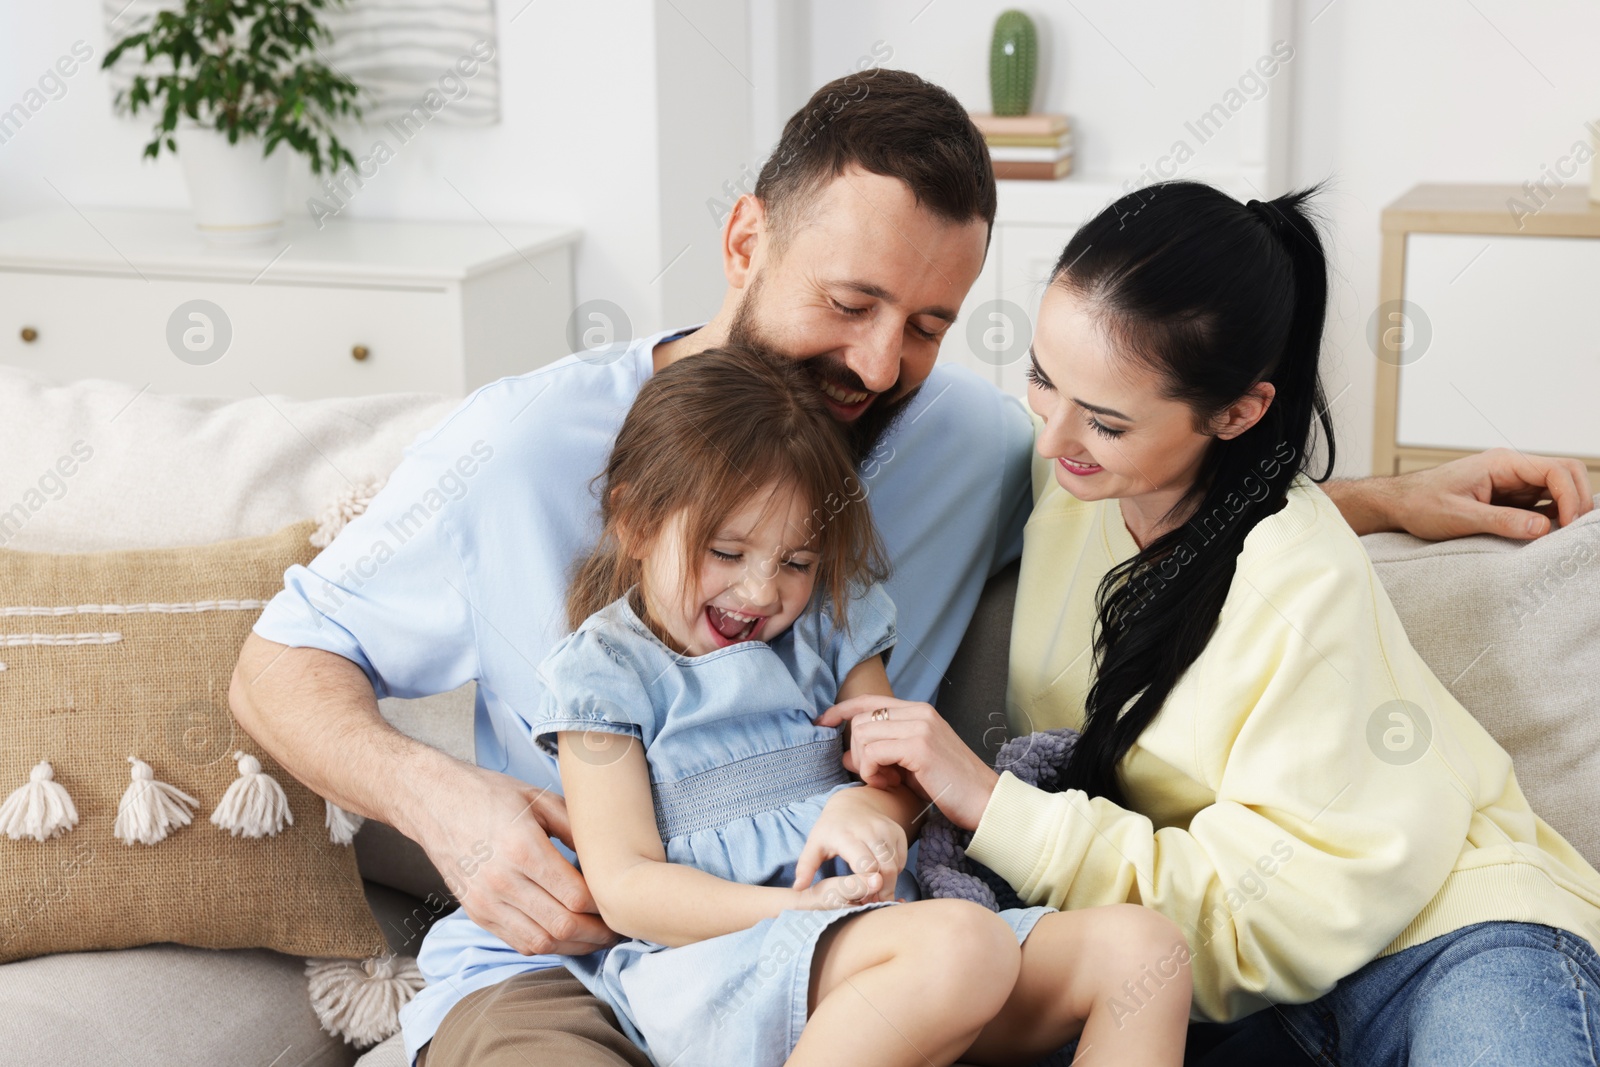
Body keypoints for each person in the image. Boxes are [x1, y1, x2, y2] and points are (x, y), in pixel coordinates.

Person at [228, 70, 1594, 1067]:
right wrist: (451, 809)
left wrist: (1382, 496)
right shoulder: (528, 443)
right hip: (571, 954)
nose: (882, 364)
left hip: (848, 946)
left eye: (931, 322)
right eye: (852, 302)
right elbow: (277, 663)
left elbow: (1147, 488)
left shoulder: (964, 442)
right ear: (745, 239)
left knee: (1128, 955)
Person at [823, 180, 1600, 1066]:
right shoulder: (1079, 483)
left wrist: (992, 803)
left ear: (1237, 413)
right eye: (1043, 377)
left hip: (1445, 944)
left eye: (1106, 422)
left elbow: (1255, 917)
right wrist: (1386, 496)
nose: (1052, 437)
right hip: (1242, 1004)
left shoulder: (1298, 577)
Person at [533, 345, 1190, 1066]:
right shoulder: (605, 672)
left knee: (1144, 949)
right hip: (726, 962)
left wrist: (868, 813)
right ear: (634, 522)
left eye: (796, 563)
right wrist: (791, 909)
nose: (758, 593)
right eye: (726, 552)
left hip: (901, 946)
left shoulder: (828, 625)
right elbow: (626, 886)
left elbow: (897, 779)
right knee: (965, 943)